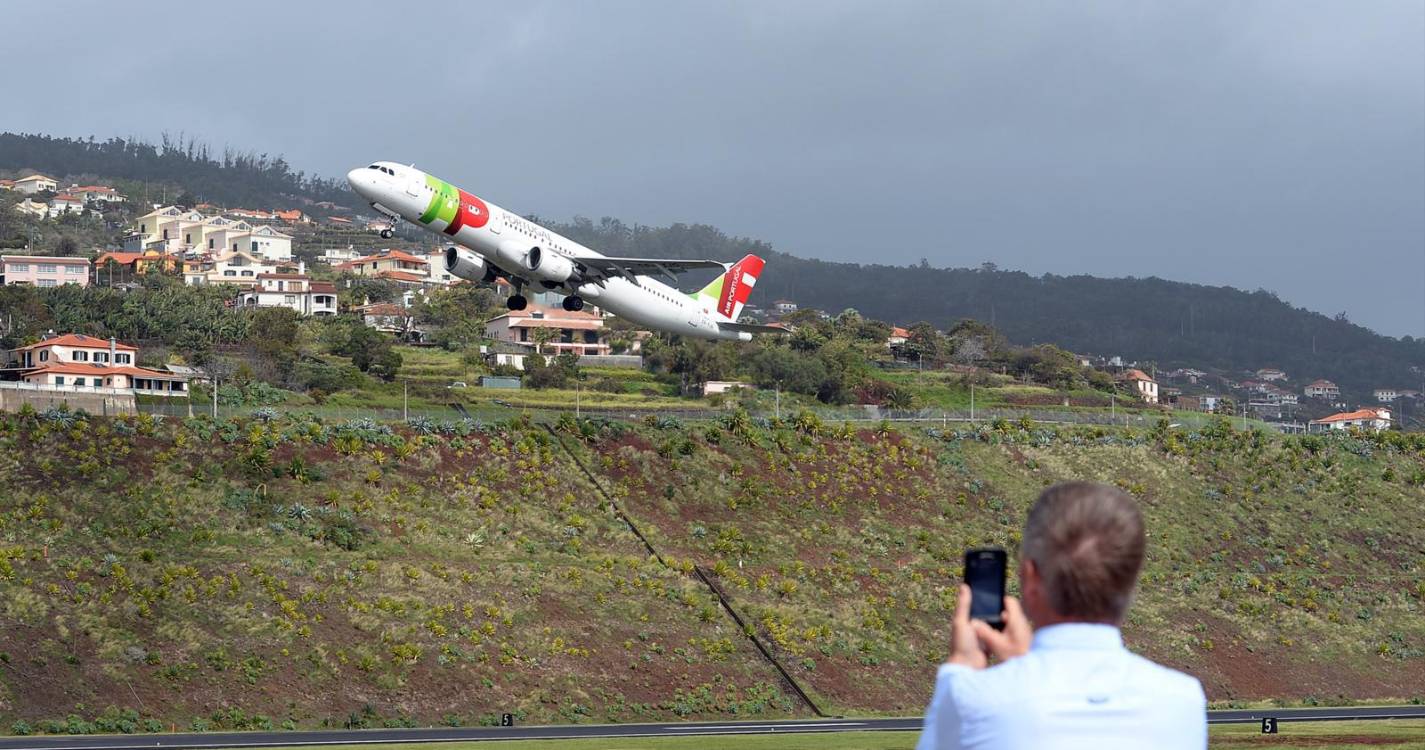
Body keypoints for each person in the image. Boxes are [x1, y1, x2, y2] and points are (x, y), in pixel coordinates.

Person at [916, 481, 1206, 750]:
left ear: (1030, 578)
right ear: (1130, 580)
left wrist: (962, 665)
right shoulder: (1184, 702)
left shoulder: (972, 699)